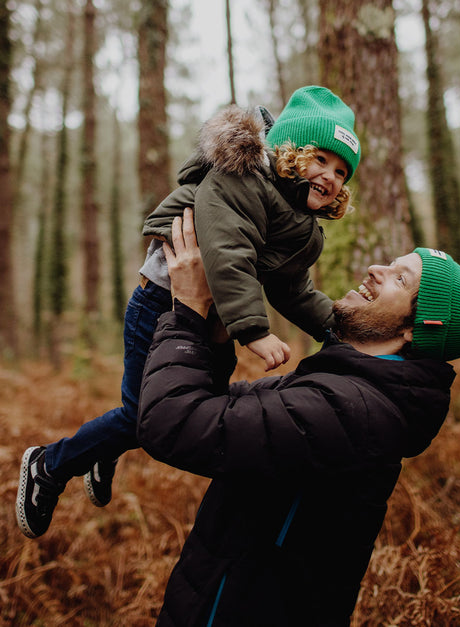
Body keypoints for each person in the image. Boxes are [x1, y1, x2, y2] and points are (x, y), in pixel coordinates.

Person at [136, 211, 460, 627]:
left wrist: (189, 310)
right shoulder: (345, 387)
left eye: (400, 278)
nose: (375, 269)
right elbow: (212, 406)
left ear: (416, 328)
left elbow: (173, 422)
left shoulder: (353, 410)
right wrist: (217, 327)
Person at [16, 85, 362, 539]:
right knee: (149, 413)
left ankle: (102, 448)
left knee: (190, 409)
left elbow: (294, 288)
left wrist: (339, 327)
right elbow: (228, 252)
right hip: (162, 303)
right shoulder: (242, 179)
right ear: (290, 153)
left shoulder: (300, 227)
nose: (331, 177)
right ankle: (49, 464)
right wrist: (254, 329)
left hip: (211, 320)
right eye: (321, 160)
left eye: (341, 171)